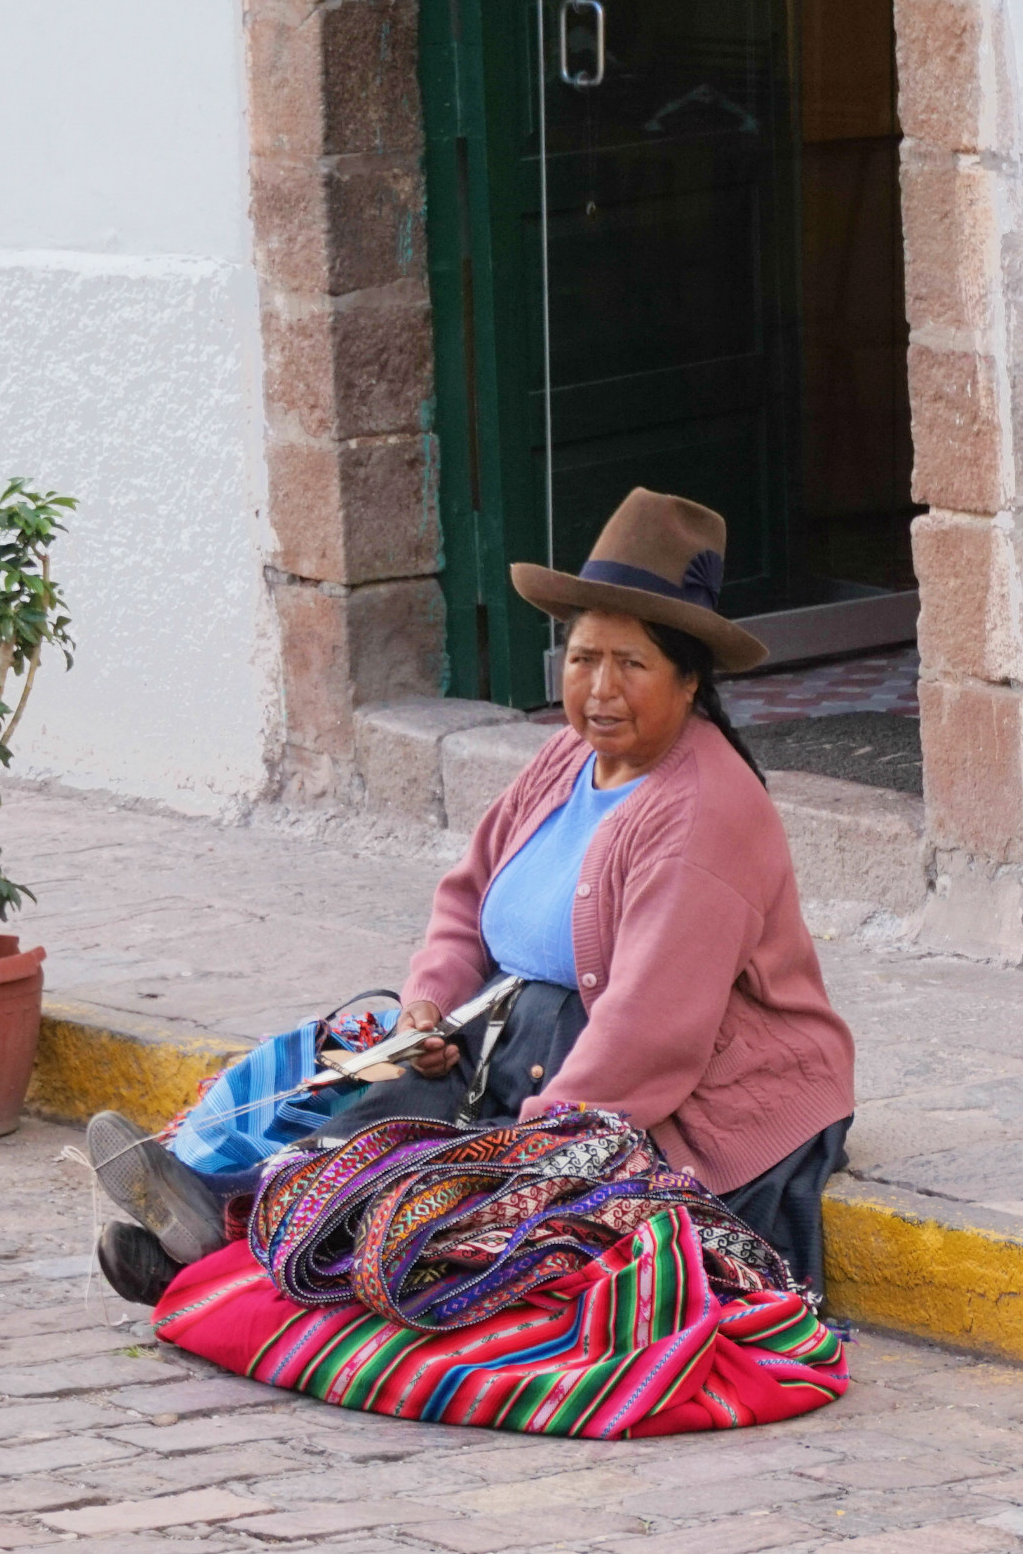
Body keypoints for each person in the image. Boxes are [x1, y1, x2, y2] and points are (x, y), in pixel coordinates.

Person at [93, 488, 857, 1304]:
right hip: (514, 1040)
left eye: (630, 664)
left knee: (451, 1191)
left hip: (679, 1094)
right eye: (582, 658)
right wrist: (427, 1007)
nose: (599, 688)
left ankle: (234, 1237)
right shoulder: (567, 757)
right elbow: (467, 900)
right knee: (392, 1103)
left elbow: (651, 1030)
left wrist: (532, 1141)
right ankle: (232, 1215)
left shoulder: (705, 809)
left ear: (689, 678)